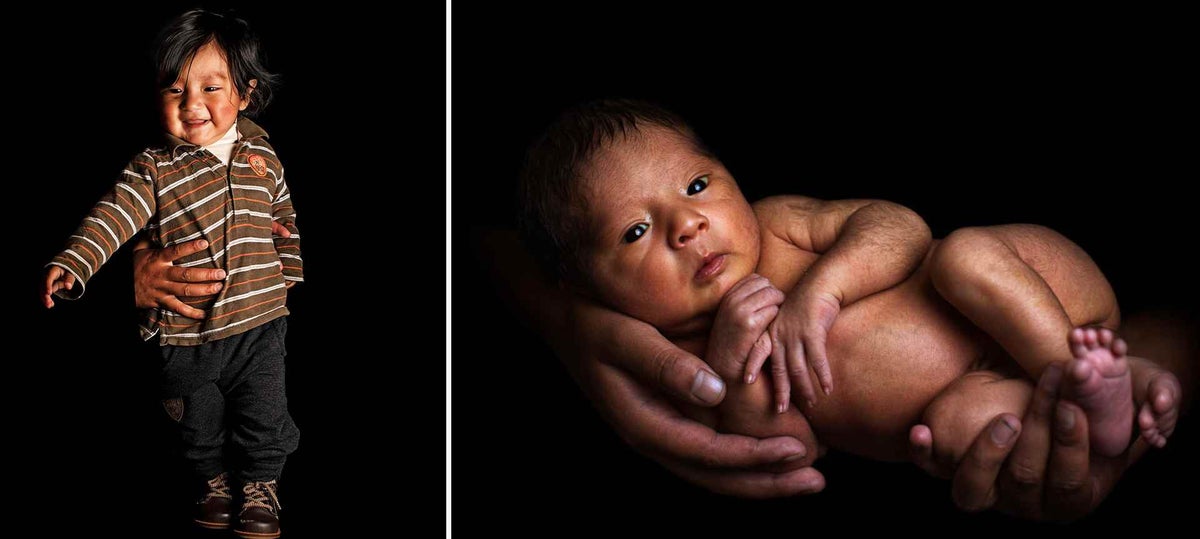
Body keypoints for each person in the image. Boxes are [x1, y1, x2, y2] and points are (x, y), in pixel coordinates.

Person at [513, 99, 1182, 483]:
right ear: (585, 286)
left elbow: (900, 226)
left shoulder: (775, 224)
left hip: (1022, 288)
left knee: (962, 255)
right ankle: (1109, 392)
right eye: (634, 231)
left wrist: (821, 290)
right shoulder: (671, 361)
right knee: (948, 432)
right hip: (981, 388)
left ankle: (1068, 362)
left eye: (696, 186)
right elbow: (793, 453)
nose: (687, 225)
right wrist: (733, 364)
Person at [39, 9, 300, 538]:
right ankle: (213, 481)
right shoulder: (152, 168)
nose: (192, 103)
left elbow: (282, 215)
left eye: (210, 87)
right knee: (197, 424)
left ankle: (261, 487)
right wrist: (74, 261)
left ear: (245, 94)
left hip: (261, 323)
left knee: (266, 414)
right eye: (174, 88)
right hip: (187, 335)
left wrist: (288, 268)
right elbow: (110, 217)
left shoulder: (261, 155)